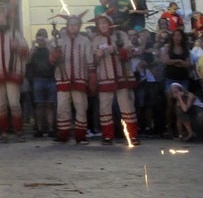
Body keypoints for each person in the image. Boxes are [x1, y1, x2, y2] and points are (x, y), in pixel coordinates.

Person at [0, 5, 29, 142]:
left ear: (8, 20)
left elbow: (27, 54)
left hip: (13, 75)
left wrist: (18, 48)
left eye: (3, 19)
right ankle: (3, 133)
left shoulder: (17, 35)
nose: (1, 21)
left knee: (14, 104)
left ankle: (19, 131)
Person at [90, 15, 140, 145]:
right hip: (104, 78)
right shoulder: (95, 40)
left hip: (122, 76)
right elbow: (91, 61)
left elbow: (132, 52)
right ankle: (107, 136)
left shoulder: (120, 35)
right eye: (100, 23)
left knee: (126, 106)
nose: (103, 25)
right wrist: (98, 56)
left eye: (105, 23)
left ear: (110, 23)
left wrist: (117, 50)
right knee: (105, 107)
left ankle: (133, 135)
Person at [50, 13, 94, 144]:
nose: (73, 27)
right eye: (70, 25)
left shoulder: (85, 41)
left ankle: (80, 136)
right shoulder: (59, 40)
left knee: (81, 108)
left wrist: (91, 77)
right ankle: (63, 134)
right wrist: (55, 56)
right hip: (63, 79)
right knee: (62, 108)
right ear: (67, 26)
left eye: (75, 25)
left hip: (80, 79)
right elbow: (51, 60)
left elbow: (90, 61)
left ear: (79, 26)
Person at [27, 28, 56, 138]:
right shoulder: (34, 50)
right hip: (38, 79)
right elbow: (27, 61)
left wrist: (49, 45)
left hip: (50, 78)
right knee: (39, 105)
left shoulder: (50, 48)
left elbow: (55, 59)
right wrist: (33, 47)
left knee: (50, 104)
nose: (41, 39)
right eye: (39, 36)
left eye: (43, 36)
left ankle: (51, 128)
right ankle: (39, 129)